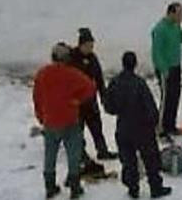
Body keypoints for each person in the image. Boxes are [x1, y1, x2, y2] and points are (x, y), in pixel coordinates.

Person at [103, 51, 172, 199]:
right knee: (151, 159)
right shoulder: (139, 83)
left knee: (128, 160)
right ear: (135, 64)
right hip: (142, 127)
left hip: (123, 127)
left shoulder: (115, 82)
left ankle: (133, 188)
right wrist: (155, 124)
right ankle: (155, 187)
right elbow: (150, 106)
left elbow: (108, 106)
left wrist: (120, 110)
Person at [33, 42, 96, 199]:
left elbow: (37, 98)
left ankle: (50, 186)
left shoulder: (42, 74)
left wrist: (41, 116)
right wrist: (77, 100)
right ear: (67, 58)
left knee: (50, 155)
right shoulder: (72, 74)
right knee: (73, 154)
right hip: (69, 120)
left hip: (50, 121)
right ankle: (75, 187)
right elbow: (90, 87)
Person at [69, 27, 117, 162]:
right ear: (81, 45)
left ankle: (102, 151)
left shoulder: (93, 58)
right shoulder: (71, 58)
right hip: (76, 102)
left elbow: (99, 78)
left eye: (92, 46)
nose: (91, 48)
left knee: (97, 127)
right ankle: (80, 153)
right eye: (89, 46)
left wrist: (104, 96)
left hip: (90, 100)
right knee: (77, 130)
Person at [151, 1, 182, 137]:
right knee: (166, 98)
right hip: (165, 69)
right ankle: (160, 128)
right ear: (171, 13)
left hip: (176, 67)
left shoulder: (175, 26)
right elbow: (156, 52)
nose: (181, 16)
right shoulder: (160, 29)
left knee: (175, 96)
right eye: (178, 13)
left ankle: (170, 125)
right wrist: (163, 69)